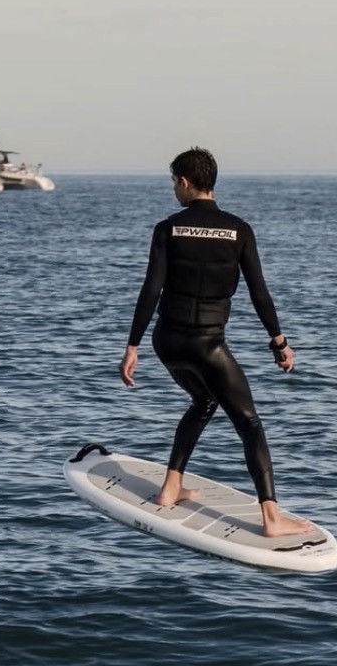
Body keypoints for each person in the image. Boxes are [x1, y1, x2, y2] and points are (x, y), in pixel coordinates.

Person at [118, 147, 312, 538]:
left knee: (204, 401)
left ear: (184, 182)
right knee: (249, 424)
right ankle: (272, 520)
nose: (174, 190)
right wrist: (279, 341)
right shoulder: (239, 231)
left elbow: (151, 289)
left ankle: (171, 488)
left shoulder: (168, 228)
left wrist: (132, 345)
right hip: (207, 345)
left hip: (167, 340)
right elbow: (259, 292)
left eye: (174, 182)